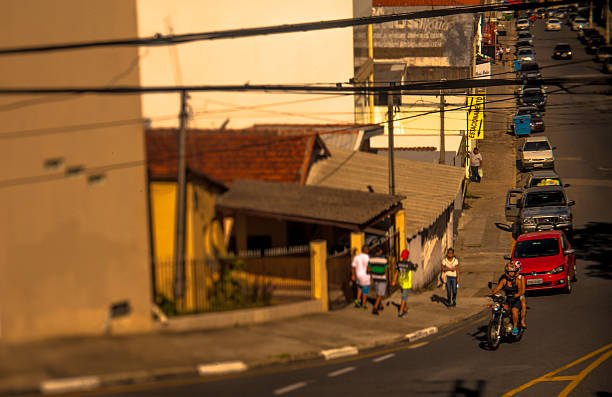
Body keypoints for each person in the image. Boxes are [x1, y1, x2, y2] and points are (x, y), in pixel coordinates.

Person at [488, 262, 525, 335]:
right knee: (499, 308)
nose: (511, 273)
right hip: (507, 299)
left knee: (514, 310)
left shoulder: (518, 280)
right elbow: (497, 288)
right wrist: (491, 294)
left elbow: (521, 291)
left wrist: (517, 295)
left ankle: (514, 328)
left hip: (515, 300)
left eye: (513, 272)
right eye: (510, 272)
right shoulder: (504, 280)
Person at [392, 249, 418, 317]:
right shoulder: (409, 264)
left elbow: (396, 272)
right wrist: (416, 266)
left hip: (400, 282)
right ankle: (401, 311)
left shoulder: (398, 263)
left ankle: (405, 308)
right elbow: (415, 269)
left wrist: (394, 281)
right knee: (404, 297)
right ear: (407, 256)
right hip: (406, 283)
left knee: (404, 295)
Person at [368, 247, 389, 315]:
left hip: (375, 277)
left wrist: (372, 274)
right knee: (380, 294)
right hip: (381, 277)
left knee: (378, 292)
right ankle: (375, 307)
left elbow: (369, 268)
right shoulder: (384, 260)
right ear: (380, 252)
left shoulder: (371, 259)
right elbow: (386, 269)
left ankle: (380, 305)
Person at [351, 245, 370, 310]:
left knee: (359, 288)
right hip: (365, 276)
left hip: (358, 275)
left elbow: (353, 267)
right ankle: (363, 305)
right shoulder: (368, 257)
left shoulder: (356, 257)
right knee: (365, 291)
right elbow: (369, 268)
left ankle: (358, 301)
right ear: (366, 250)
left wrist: (353, 275)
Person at [514, 260, 527, 328]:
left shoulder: (521, 277)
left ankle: (522, 321)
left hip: (520, 294)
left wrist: (519, 295)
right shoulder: (509, 277)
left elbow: (523, 290)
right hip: (511, 295)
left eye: (517, 270)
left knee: (523, 304)